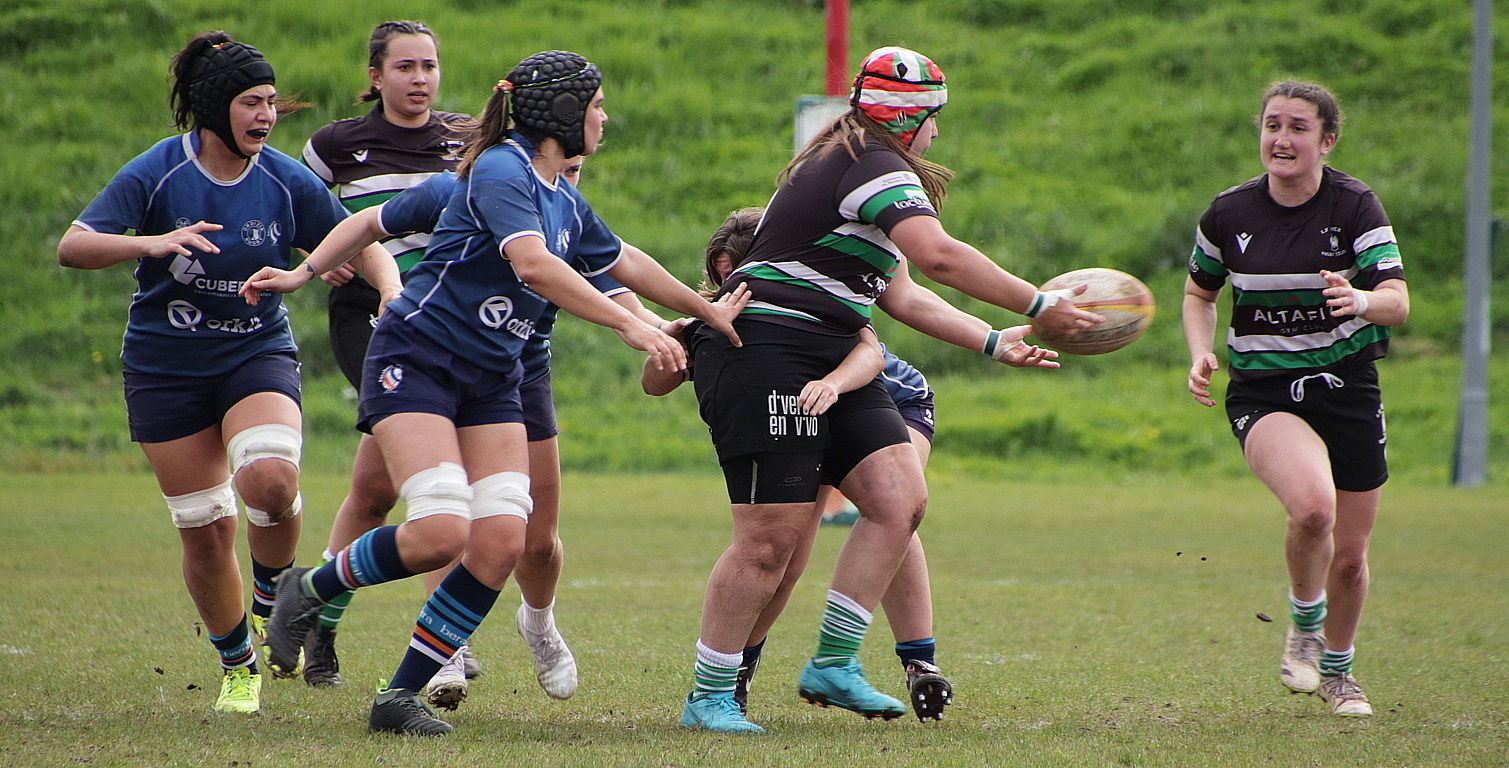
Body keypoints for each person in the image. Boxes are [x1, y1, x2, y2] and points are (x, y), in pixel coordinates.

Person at [251, 50, 746, 736]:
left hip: (491, 379)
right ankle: (310, 588)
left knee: (500, 542)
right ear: (564, 113)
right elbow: (533, 263)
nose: (604, 117)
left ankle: (398, 698)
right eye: (596, 104)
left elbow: (625, 260)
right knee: (442, 530)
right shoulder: (500, 167)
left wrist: (707, 310)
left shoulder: (562, 196)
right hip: (418, 359)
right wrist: (631, 326)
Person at [678, 46, 1095, 734]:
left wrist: (994, 340)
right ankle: (710, 694)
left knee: (898, 500)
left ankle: (834, 662)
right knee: (768, 541)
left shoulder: (862, 167)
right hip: (766, 353)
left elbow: (903, 293)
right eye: (932, 118)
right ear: (908, 116)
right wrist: (1039, 300)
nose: (935, 133)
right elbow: (939, 255)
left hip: (836, 348)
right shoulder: (867, 162)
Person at [56, 31, 392, 716]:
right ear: (215, 109)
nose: (266, 116)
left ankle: (270, 601)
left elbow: (363, 235)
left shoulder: (280, 176)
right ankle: (238, 666)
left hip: (254, 352)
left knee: (269, 480)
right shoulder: (158, 172)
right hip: (164, 367)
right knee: (207, 530)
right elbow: (75, 245)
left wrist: (390, 296)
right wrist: (149, 241)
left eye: (271, 102)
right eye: (251, 103)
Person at [257, 156, 651, 711]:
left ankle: (515, 634)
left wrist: (685, 324)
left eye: (581, 165)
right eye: (567, 157)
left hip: (512, 380)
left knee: (520, 539)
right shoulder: (468, 190)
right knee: (407, 509)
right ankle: (344, 616)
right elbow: (369, 223)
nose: (572, 172)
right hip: (428, 360)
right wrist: (307, 272)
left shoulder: (569, 219)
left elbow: (626, 287)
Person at [652, 207, 1058, 725]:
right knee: (784, 553)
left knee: (895, 510)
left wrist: (994, 337)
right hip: (799, 397)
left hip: (886, 395)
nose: (732, 283)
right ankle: (731, 681)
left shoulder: (842, 259)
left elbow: (883, 329)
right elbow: (659, 374)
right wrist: (669, 335)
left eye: (735, 269)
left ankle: (908, 662)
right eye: (722, 275)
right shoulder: (727, 317)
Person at [1183, 81, 1407, 719]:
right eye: (1272, 125)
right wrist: (1201, 351)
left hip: (1349, 387)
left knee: (1353, 553)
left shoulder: (1355, 206)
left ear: (1326, 140)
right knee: (1313, 512)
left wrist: (1360, 300)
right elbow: (1199, 294)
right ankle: (1305, 625)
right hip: (1264, 390)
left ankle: (1340, 672)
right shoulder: (1229, 214)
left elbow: (1397, 298)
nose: (1282, 139)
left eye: (1299, 128)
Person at [295, 20, 468, 688]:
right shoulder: (336, 145)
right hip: (373, 324)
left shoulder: (464, 140)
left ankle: (318, 622)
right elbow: (296, 210)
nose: (419, 78)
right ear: (375, 77)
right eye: (404, 67)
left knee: (372, 494)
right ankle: (444, 647)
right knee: (437, 482)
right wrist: (322, 258)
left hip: (457, 326)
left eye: (429, 65)